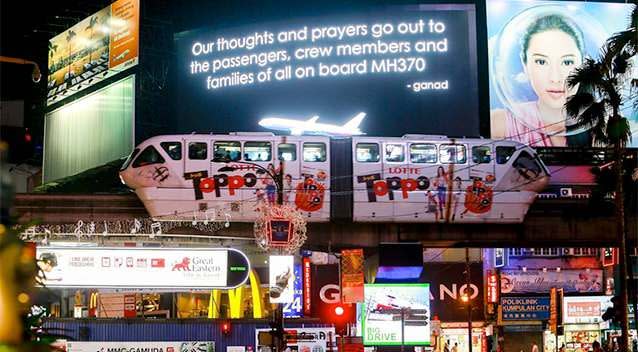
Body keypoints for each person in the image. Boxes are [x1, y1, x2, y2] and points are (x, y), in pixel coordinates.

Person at [491, 13, 588, 147]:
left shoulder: (603, 127)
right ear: (525, 64)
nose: (555, 78)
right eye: (541, 62)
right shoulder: (500, 123)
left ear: (583, 65)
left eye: (567, 62)